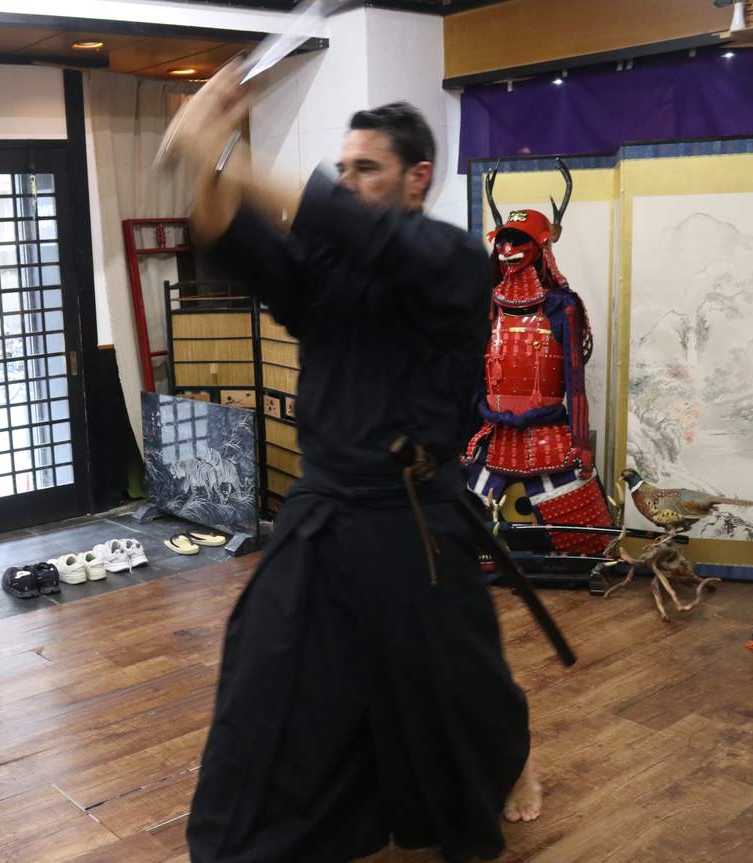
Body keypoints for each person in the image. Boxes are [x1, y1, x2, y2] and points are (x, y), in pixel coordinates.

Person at [166, 64, 534, 863]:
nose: (346, 181)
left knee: (457, 689)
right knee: (264, 668)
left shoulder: (454, 260)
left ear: (417, 178)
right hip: (324, 505)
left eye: (365, 168)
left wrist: (223, 147)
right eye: (342, 168)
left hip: (414, 516)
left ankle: (505, 763)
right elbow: (233, 237)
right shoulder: (330, 272)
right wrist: (204, 159)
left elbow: (348, 224)